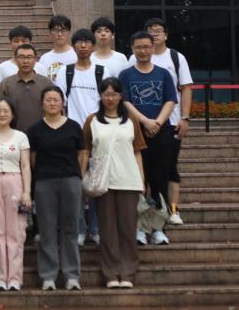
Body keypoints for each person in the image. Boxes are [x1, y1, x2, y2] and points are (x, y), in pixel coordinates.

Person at [82, 77, 147, 289]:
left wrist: (141, 180)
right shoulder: (92, 121)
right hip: (103, 181)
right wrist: (83, 177)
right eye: (106, 94)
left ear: (121, 96)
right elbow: (85, 152)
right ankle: (111, 273)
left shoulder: (131, 121)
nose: (110, 98)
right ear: (100, 96)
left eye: (114, 94)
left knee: (128, 228)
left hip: (128, 179)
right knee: (107, 230)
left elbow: (137, 152)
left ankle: (127, 273)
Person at [119, 30, 177, 246]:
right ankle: (140, 228)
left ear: (153, 48)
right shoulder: (126, 75)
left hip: (162, 133)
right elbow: (125, 102)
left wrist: (157, 123)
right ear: (132, 49)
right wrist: (145, 122)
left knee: (159, 181)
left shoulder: (163, 74)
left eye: (146, 47)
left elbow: (170, 100)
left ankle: (159, 228)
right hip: (135, 133)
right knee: (137, 182)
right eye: (138, 47)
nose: (142, 51)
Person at [28, 85, 85, 291]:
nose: (52, 103)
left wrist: (78, 176)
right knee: (47, 229)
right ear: (42, 103)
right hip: (44, 181)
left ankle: (72, 275)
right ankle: (48, 276)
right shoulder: (35, 130)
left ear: (63, 103)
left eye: (56, 99)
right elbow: (32, 158)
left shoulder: (73, 126)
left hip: (71, 180)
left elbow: (82, 154)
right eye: (48, 100)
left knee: (71, 228)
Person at [144, 17, 193, 226]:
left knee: (170, 167)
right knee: (146, 169)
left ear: (166, 35)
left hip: (171, 123)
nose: (154, 34)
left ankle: (173, 209)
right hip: (144, 123)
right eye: (150, 30)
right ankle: (149, 209)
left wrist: (185, 117)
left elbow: (186, 88)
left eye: (158, 30)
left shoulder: (176, 57)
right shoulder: (136, 57)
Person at [0, 98, 32, 291]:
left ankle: (15, 278)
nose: (2, 114)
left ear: (12, 114)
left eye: (6, 111)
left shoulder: (20, 137)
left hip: (14, 181)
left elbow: (25, 165)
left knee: (16, 231)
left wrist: (27, 191)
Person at [64, 28, 110, 247]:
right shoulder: (65, 72)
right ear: (74, 46)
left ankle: (95, 229)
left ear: (93, 46)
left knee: (96, 184)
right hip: (73, 134)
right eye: (79, 42)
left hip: (98, 132)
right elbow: (61, 102)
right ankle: (80, 229)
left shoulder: (102, 71)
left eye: (87, 42)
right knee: (76, 185)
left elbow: (108, 99)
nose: (83, 45)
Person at [0, 43, 52, 134]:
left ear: (35, 59)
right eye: (21, 57)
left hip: (42, 134)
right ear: (15, 59)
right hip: (13, 134)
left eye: (29, 57)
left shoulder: (46, 83)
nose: (25, 61)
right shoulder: (6, 84)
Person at [0, 25, 47, 91]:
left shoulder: (40, 67)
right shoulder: (1, 68)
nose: (20, 44)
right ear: (10, 43)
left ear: (30, 43)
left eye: (24, 41)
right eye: (16, 41)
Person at [37, 15, 77, 85]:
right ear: (50, 33)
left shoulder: (77, 56)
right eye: (56, 30)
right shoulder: (44, 59)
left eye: (63, 30)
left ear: (69, 33)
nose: (59, 34)